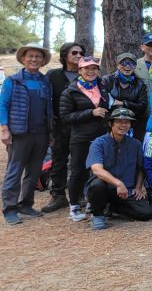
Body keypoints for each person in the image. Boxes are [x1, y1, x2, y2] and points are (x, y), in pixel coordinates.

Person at [1, 43, 53, 225]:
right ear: (23, 58)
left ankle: (26, 204)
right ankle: (10, 209)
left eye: (38, 57)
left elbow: (49, 108)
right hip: (20, 133)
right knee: (14, 171)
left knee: (34, 171)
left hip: (41, 133)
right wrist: (4, 129)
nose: (34, 59)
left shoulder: (45, 81)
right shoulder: (12, 81)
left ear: (42, 60)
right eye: (30, 56)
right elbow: (3, 105)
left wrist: (51, 132)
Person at [60, 56, 112, 223]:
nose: (91, 72)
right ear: (80, 70)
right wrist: (90, 113)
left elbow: (107, 106)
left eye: (94, 68)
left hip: (102, 136)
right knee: (78, 171)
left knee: (99, 171)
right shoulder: (71, 91)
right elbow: (65, 116)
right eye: (87, 68)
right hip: (81, 137)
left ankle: (94, 203)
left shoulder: (102, 86)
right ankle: (74, 206)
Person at [85, 107, 152, 230]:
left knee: (146, 213)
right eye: (119, 121)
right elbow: (96, 169)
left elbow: (140, 168)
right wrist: (118, 183)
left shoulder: (136, 144)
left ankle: (113, 208)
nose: (123, 125)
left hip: (126, 190)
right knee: (97, 184)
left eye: (127, 122)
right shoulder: (98, 143)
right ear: (111, 124)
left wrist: (138, 187)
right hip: (105, 188)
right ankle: (97, 214)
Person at [43, 41, 85, 213]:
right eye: (74, 53)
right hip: (59, 126)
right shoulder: (53, 75)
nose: (78, 56)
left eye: (81, 53)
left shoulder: (87, 73)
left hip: (81, 125)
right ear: (64, 55)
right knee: (58, 161)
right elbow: (45, 99)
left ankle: (79, 194)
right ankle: (58, 195)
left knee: (79, 162)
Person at [103, 52, 149, 134]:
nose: (127, 66)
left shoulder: (140, 83)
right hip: (110, 123)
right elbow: (103, 102)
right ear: (117, 65)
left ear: (135, 66)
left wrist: (122, 103)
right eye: (123, 63)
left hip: (133, 123)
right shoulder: (107, 80)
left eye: (132, 63)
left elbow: (142, 106)